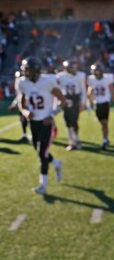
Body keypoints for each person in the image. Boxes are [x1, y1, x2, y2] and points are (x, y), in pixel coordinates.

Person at [16, 57, 68, 194]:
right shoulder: (22, 83)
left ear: (36, 70)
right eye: (25, 70)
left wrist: (51, 115)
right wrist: (26, 112)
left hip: (46, 123)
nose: (26, 73)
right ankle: (56, 163)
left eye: (28, 70)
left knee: (42, 153)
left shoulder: (48, 81)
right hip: (33, 123)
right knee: (39, 151)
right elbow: (22, 105)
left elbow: (63, 101)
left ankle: (43, 185)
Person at [87, 63, 114, 150]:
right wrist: (89, 102)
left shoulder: (107, 78)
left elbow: (112, 91)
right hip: (97, 103)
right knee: (102, 122)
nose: (96, 73)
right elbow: (90, 90)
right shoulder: (91, 79)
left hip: (105, 103)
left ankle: (105, 139)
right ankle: (105, 138)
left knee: (105, 123)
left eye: (98, 71)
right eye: (95, 71)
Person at [56, 59, 86, 151]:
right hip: (65, 98)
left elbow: (83, 90)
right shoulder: (60, 76)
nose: (74, 69)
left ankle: (76, 139)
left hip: (75, 99)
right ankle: (71, 142)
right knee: (67, 122)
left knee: (74, 121)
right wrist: (59, 100)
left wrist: (83, 103)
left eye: (74, 67)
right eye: (72, 68)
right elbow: (57, 88)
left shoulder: (81, 76)